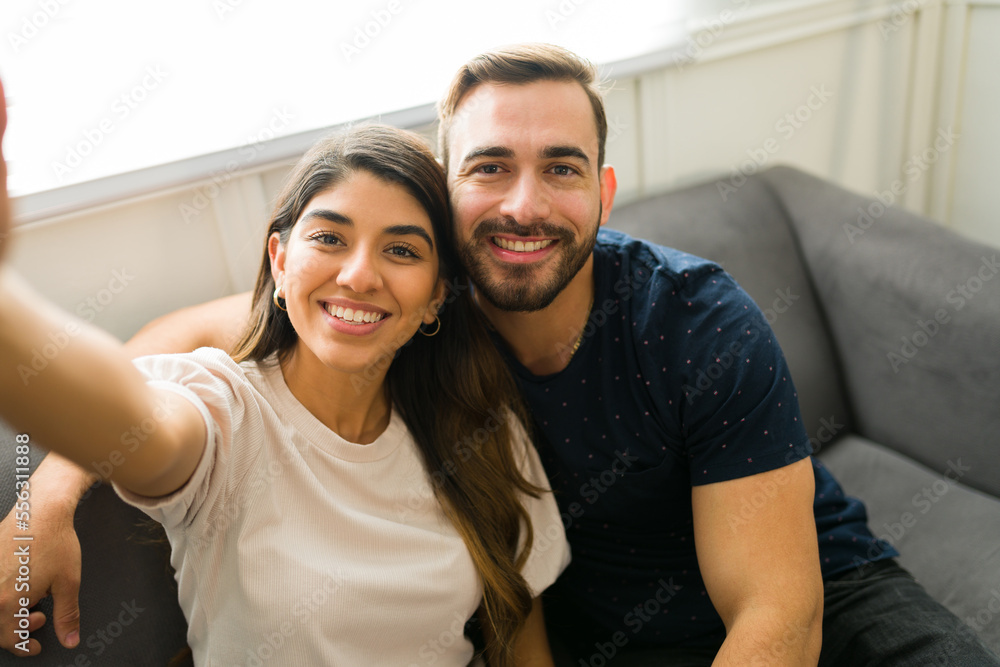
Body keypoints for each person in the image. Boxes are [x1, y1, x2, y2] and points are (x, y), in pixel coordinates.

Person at [6, 43, 1000, 666]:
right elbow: (172, 353)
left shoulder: (689, 323)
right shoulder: (397, 316)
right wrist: (47, 494)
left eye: (558, 169)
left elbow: (780, 614)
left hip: (822, 585)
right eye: (490, 167)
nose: (523, 204)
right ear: (451, 193)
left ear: (605, 195)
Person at [0, 90, 570, 665]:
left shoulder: (476, 425)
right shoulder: (226, 416)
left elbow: (522, 636)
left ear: (435, 297)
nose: (358, 275)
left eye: (401, 250)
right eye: (329, 238)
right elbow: (117, 419)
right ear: (279, 259)